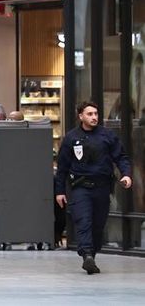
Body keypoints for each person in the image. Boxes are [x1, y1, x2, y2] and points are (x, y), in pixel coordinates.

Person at [55, 101, 133, 275]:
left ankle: (92, 253)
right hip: (80, 187)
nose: (94, 117)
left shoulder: (107, 136)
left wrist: (126, 174)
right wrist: (59, 191)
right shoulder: (71, 138)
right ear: (81, 116)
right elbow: (62, 168)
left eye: (96, 114)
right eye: (89, 114)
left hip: (102, 187)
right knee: (84, 221)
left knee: (98, 225)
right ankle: (87, 255)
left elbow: (121, 157)